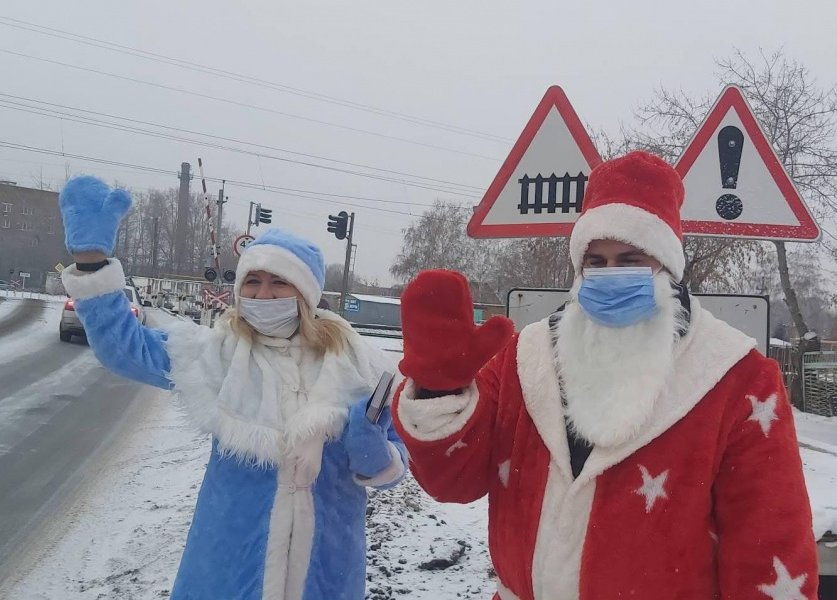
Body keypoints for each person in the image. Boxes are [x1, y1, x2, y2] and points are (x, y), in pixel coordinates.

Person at [393, 152, 818, 599]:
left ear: (667, 267)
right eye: (596, 262)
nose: (611, 275)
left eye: (630, 259)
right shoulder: (526, 357)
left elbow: (769, 544)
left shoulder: (737, 377)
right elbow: (453, 481)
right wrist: (440, 386)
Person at [57, 176, 407, 600]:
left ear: (305, 292)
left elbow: (395, 463)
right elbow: (124, 349)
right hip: (228, 567)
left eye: (279, 282)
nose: (264, 293)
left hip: (327, 570)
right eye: (252, 281)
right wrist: (92, 263)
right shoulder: (216, 354)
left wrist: (376, 456)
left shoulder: (360, 365)